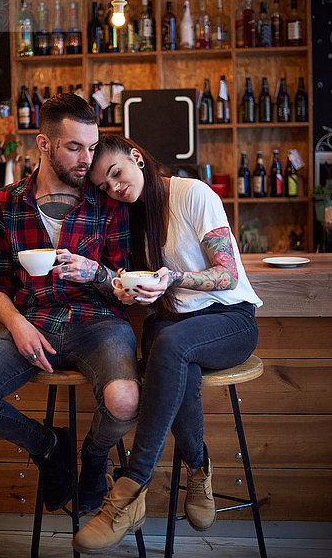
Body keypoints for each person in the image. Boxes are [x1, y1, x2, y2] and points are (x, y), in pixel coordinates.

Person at [0, 97, 141, 517]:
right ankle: (50, 446)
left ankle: (93, 460)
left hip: (98, 322)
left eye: (92, 147)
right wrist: (16, 324)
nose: (87, 159)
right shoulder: (6, 203)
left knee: (125, 399)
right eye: (74, 147)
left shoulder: (108, 200)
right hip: (32, 320)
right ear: (44, 143)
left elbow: (125, 285)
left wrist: (96, 273)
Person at [73, 134, 262, 553]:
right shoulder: (133, 219)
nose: (115, 188)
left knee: (169, 344)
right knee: (167, 344)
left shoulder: (193, 193)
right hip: (177, 325)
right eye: (104, 186)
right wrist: (124, 289)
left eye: (116, 173)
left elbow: (227, 275)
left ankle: (131, 485)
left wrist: (174, 278)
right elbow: (142, 286)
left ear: (137, 158)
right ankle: (198, 467)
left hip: (230, 320)